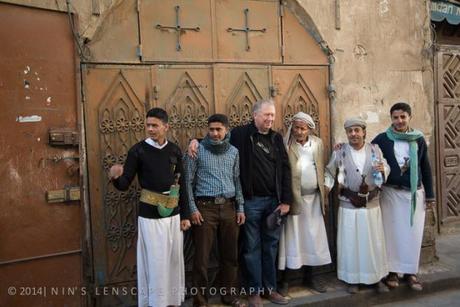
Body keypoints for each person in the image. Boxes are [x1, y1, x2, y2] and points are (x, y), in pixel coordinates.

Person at [188, 99, 292, 306]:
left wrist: (286, 200)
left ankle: (269, 289)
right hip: (250, 202)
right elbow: (216, 139)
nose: (270, 119)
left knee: (270, 247)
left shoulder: (277, 138)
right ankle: (253, 291)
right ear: (255, 116)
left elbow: (285, 168)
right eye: (266, 115)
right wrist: (194, 140)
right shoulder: (241, 134)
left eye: (272, 115)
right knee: (251, 248)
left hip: (273, 202)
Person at [108, 107, 191, 307]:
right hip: (150, 217)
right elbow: (125, 183)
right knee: (156, 262)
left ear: (166, 126)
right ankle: (155, 302)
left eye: (155, 125)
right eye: (148, 125)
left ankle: (171, 301)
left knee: (172, 260)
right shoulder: (137, 151)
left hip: (173, 216)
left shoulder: (174, 150)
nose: (151, 129)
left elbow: (182, 184)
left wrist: (185, 215)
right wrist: (115, 177)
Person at [372, 102, 435, 291]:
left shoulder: (418, 139)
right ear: (391, 119)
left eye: (403, 117)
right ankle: (391, 272)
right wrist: (341, 146)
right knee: (391, 235)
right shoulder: (383, 139)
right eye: (395, 117)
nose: (399, 121)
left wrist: (430, 196)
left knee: (412, 235)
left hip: (414, 194)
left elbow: (425, 167)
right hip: (391, 193)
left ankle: (410, 273)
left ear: (409, 117)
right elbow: (366, 151)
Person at [184, 114, 246, 307]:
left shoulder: (234, 152)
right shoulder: (197, 150)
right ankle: (200, 301)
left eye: (219, 129)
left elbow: (237, 181)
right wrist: (192, 209)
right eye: (211, 129)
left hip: (228, 208)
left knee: (230, 256)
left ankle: (229, 296)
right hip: (205, 209)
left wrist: (240, 207)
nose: (215, 133)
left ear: (226, 130)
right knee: (201, 259)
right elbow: (187, 182)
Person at [325, 117, 389, 294]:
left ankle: (376, 278)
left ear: (363, 132)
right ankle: (353, 279)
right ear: (346, 133)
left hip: (371, 204)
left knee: (373, 242)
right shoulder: (340, 152)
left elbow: (386, 167)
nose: (353, 134)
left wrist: (384, 170)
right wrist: (324, 190)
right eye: (349, 131)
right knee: (351, 244)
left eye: (357, 130)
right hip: (349, 204)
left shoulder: (375, 149)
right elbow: (330, 172)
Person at [277, 112, 332, 295]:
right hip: (294, 200)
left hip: (314, 199)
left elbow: (321, 166)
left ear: (309, 129)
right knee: (292, 240)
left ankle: (311, 277)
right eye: (296, 128)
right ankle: (285, 281)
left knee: (312, 239)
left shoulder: (317, 143)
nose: (299, 132)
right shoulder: (285, 144)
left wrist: (325, 188)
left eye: (302, 128)